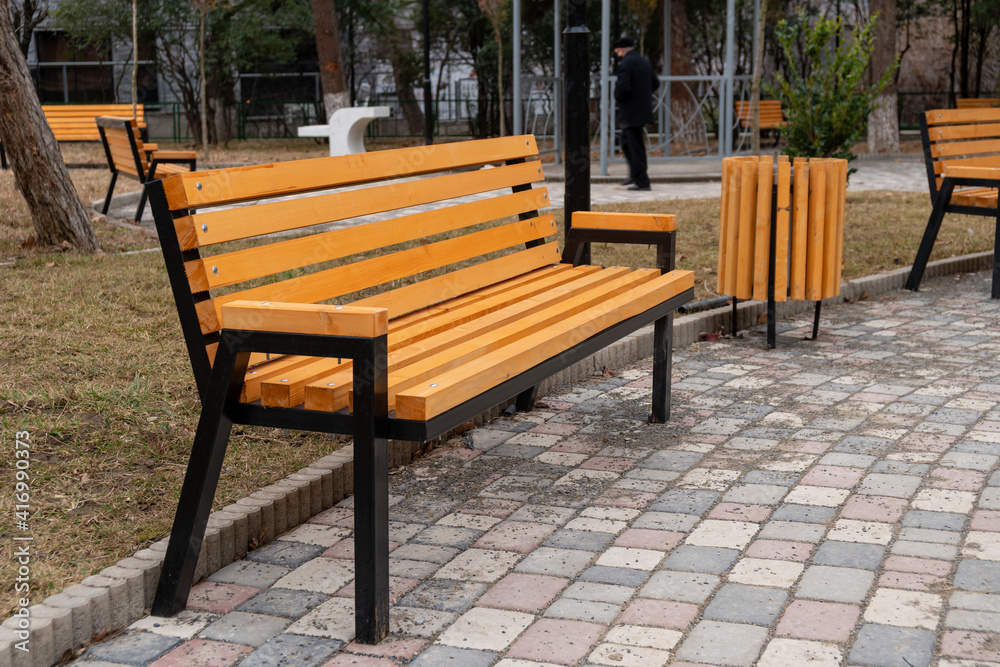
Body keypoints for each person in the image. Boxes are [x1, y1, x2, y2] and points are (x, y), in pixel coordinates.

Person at [613, 37, 659, 191]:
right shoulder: (643, 61)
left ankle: (642, 181)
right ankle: (635, 174)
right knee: (626, 142)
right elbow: (655, 82)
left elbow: (623, 87)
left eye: (617, 51)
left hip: (631, 111)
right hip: (641, 109)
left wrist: (618, 96)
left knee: (634, 146)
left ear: (621, 49)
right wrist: (643, 95)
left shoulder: (626, 63)